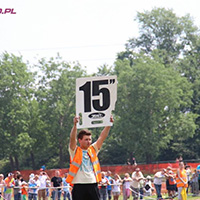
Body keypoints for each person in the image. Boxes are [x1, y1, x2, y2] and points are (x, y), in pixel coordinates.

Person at [66, 115, 114, 200]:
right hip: (79, 185)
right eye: (86, 139)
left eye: (90, 139)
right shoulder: (75, 150)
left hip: (92, 184)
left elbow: (102, 137)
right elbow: (72, 139)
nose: (89, 142)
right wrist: (75, 125)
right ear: (80, 140)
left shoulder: (93, 149)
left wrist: (109, 124)